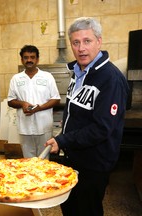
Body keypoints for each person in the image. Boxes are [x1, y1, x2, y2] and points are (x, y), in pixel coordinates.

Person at [45, 17, 129, 216]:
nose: (81, 48)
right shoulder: (78, 72)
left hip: (94, 163)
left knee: (88, 209)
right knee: (70, 206)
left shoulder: (111, 79)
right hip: (74, 156)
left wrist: (62, 139)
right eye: (76, 42)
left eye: (87, 41)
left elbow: (101, 128)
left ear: (99, 41)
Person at [7, 45, 61, 158]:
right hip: (24, 128)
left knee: (44, 160)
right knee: (28, 161)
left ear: (37, 59)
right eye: (26, 57)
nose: (29, 60)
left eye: (32, 57)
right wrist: (22, 104)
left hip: (44, 126)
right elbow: (10, 101)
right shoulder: (16, 79)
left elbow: (56, 99)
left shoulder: (47, 77)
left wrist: (39, 108)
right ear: (22, 60)